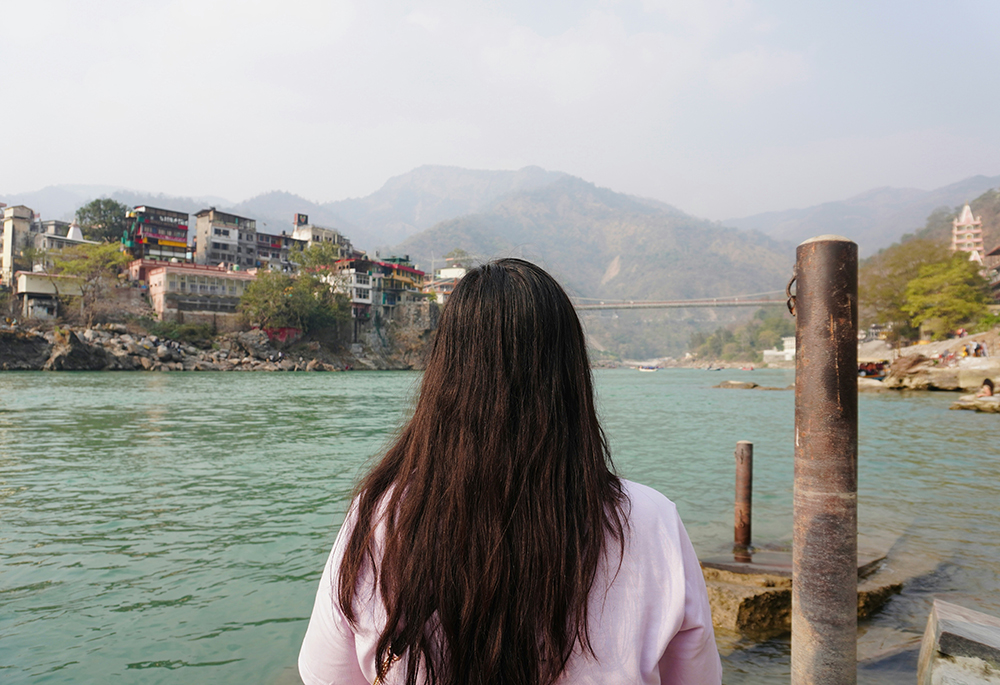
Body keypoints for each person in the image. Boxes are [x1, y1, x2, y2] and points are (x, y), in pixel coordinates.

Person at [299, 259, 721, 685]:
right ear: (572, 377)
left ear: (444, 375)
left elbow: (324, 674)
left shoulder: (380, 515)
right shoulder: (652, 521)